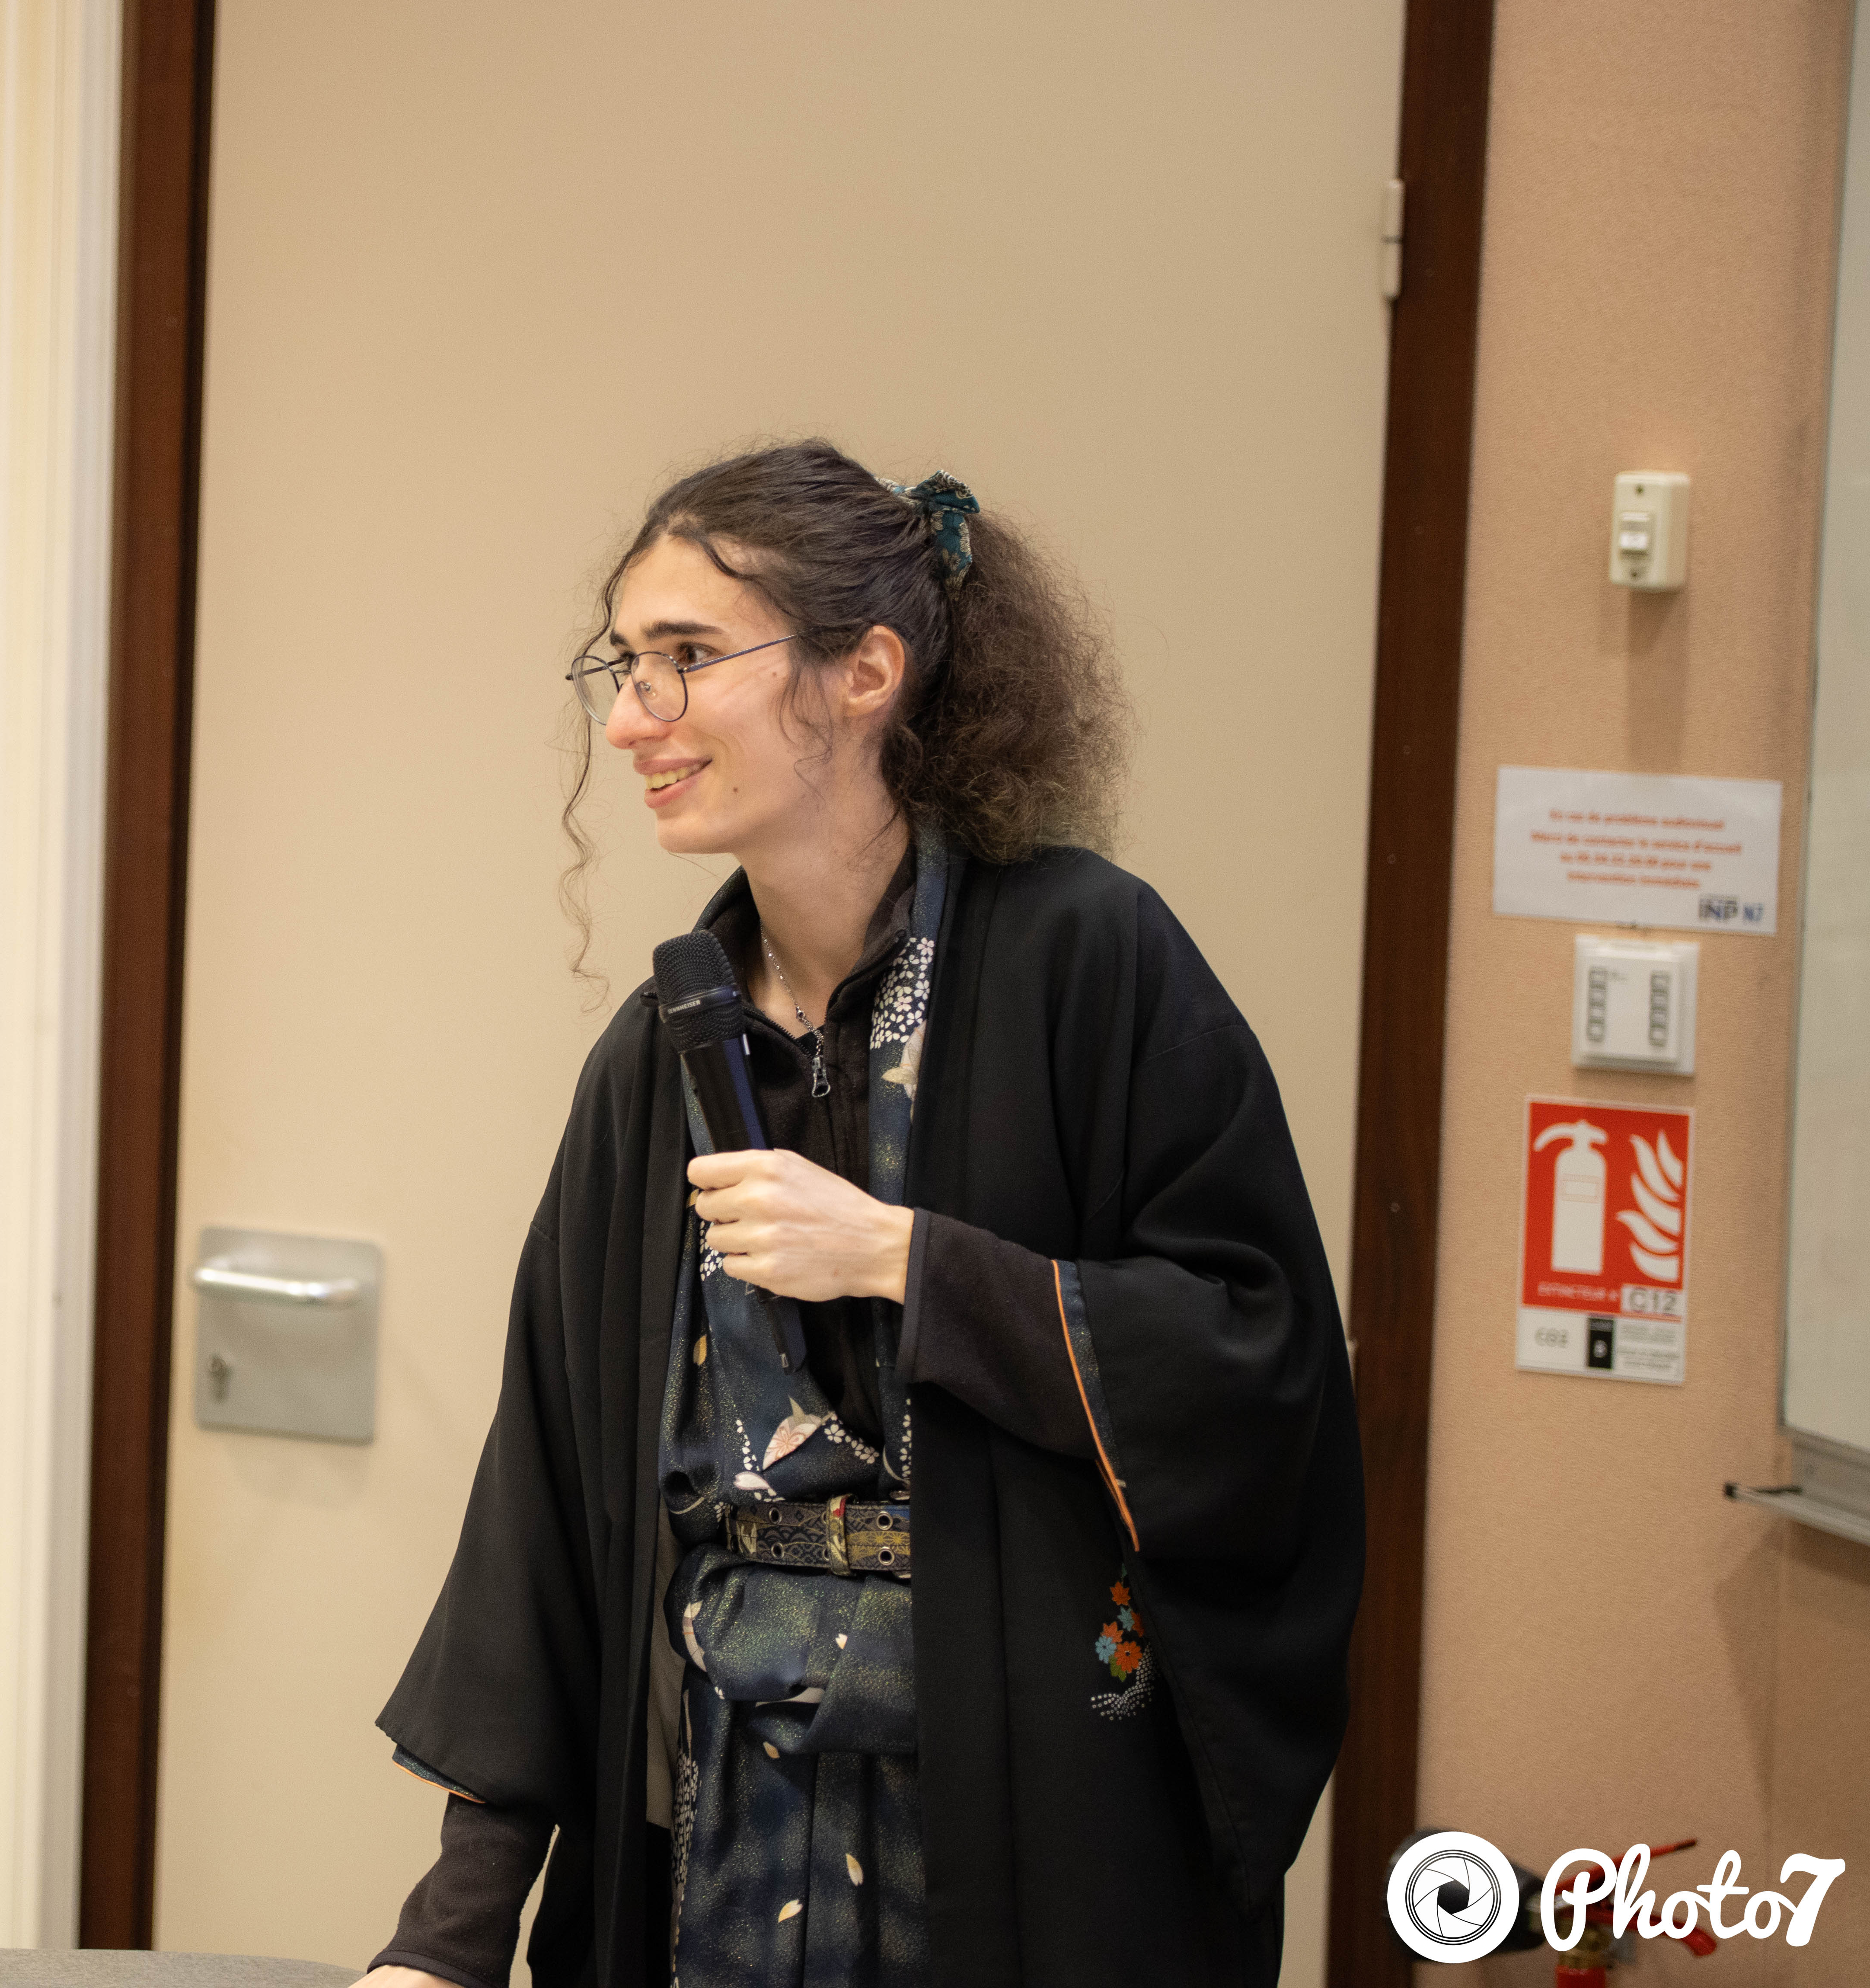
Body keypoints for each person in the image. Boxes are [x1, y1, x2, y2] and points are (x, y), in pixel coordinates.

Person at [355, 441, 1364, 1988]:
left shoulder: (1090, 961)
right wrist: (449, 1940)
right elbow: (550, 1500)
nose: (631, 718)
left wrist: (910, 1263)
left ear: (866, 673)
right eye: (624, 666)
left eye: (688, 657)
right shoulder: (654, 1056)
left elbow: (1259, 1362)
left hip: (1027, 1838)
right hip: (709, 1837)